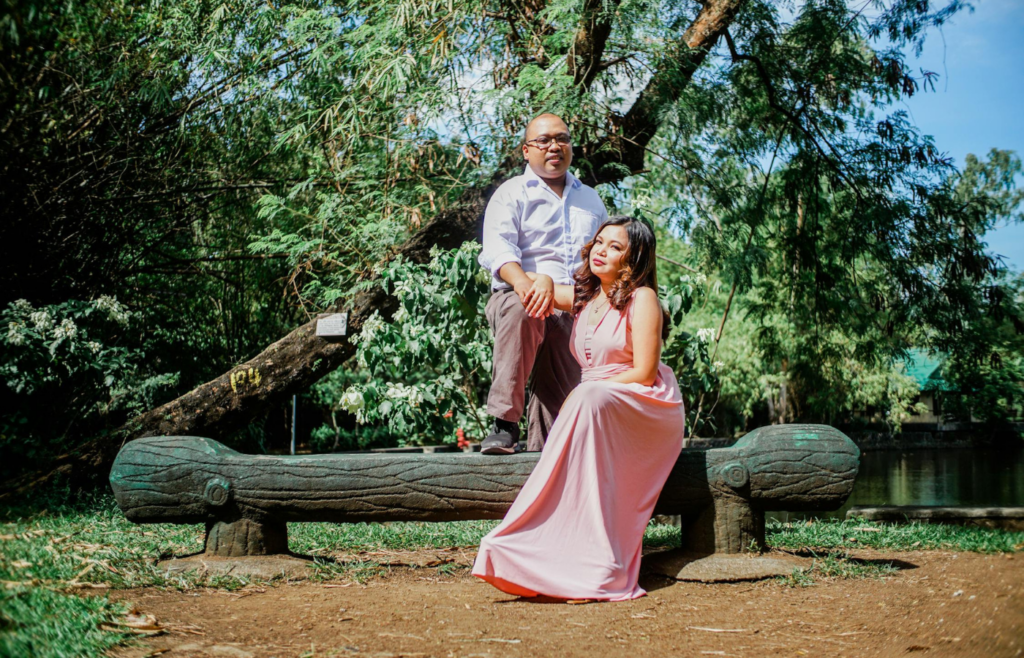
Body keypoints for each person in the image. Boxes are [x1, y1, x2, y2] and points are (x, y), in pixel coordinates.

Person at [472, 215, 685, 601]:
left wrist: (588, 390)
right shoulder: (587, 297)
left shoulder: (644, 298)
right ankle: (540, 554)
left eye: (615, 247)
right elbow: (541, 289)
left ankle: (601, 564)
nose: (602, 251)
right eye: (599, 242)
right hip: (595, 403)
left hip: (642, 402)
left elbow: (645, 370)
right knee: (585, 399)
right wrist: (549, 281)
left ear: (634, 258)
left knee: (585, 395)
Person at [477, 113, 608, 454]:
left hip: (572, 304)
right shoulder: (510, 194)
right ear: (526, 151)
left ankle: (543, 461)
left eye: (562, 138)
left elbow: (604, 256)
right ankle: (504, 423)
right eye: (544, 140)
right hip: (517, 296)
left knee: (563, 412)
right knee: (526, 311)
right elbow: (498, 252)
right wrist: (530, 287)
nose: (554, 146)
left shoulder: (591, 200)